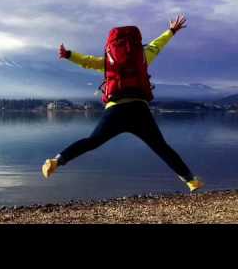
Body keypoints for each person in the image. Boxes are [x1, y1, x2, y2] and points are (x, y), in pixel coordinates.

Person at [42, 14, 204, 192]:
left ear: (111, 44)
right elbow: (159, 44)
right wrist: (172, 30)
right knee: (161, 147)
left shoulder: (109, 61)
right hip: (139, 110)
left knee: (92, 141)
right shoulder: (143, 55)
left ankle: (56, 161)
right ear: (136, 41)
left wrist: (68, 54)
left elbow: (88, 62)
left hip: (116, 110)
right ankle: (191, 181)